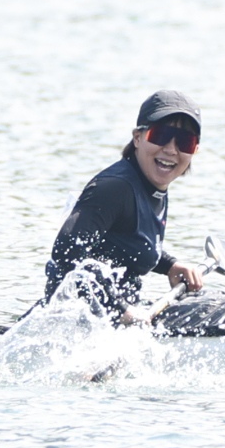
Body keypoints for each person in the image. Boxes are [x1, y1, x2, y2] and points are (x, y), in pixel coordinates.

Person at [44, 90, 209, 316]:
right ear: (138, 138)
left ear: (194, 150)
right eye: (161, 135)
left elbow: (125, 243)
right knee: (224, 308)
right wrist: (121, 310)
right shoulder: (115, 188)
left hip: (121, 317)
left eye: (185, 142)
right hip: (76, 321)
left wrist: (170, 265)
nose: (171, 150)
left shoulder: (151, 184)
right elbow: (66, 251)